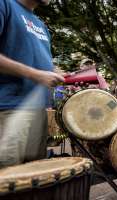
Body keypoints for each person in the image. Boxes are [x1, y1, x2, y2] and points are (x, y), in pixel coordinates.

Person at [0, 0, 65, 168]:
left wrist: (56, 72)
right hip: (8, 109)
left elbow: (40, 63)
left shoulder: (41, 26)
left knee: (35, 177)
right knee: (8, 177)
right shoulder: (5, 5)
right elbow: (36, 72)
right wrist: (35, 75)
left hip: (38, 111)